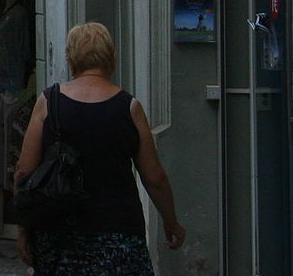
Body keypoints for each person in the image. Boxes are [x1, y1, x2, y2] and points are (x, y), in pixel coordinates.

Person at [14, 22, 185, 275]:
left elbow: (23, 172)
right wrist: (171, 221)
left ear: (71, 60)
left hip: (59, 233)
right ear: (112, 60)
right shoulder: (130, 108)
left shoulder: (49, 103)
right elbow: (154, 178)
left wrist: (24, 230)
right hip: (119, 235)